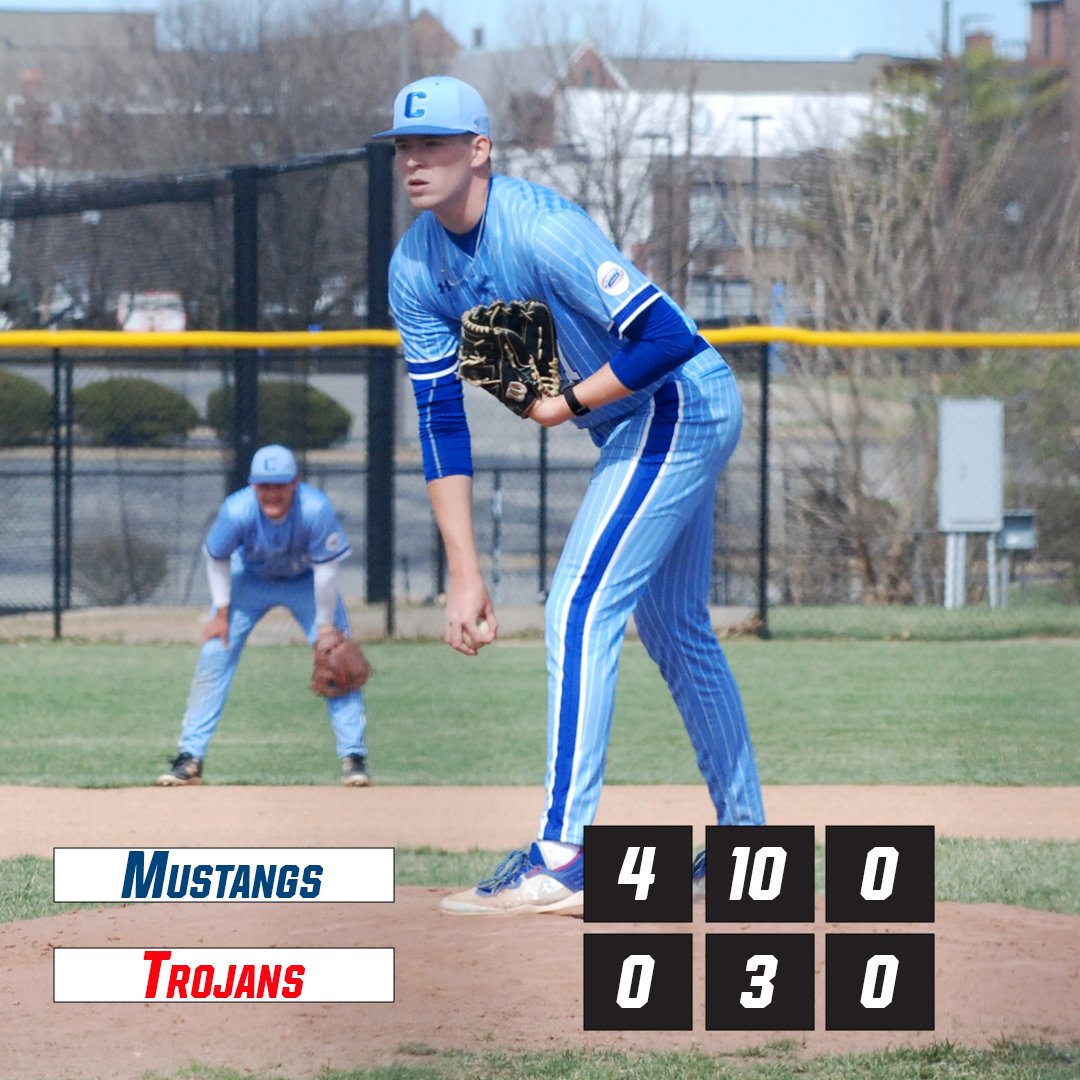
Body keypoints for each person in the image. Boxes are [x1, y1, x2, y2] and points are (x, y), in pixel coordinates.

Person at [375, 75, 763, 915]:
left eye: (433, 143)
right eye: (404, 145)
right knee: (673, 626)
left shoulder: (543, 229)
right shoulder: (416, 266)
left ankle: (560, 855)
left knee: (579, 608)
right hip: (635, 424)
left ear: (480, 150)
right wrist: (465, 572)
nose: (413, 159)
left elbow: (670, 335)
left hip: (678, 402)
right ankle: (746, 850)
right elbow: (441, 418)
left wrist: (569, 403)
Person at [156, 444, 371, 788]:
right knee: (214, 654)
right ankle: (189, 757)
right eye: (264, 485)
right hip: (249, 580)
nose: (272, 493)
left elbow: (327, 571)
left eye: (280, 484)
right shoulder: (237, 509)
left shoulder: (314, 508)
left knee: (336, 661)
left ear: (295, 483)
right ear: (253, 485)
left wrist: (327, 627)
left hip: (306, 583)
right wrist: (221, 612)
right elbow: (217, 557)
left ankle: (354, 757)